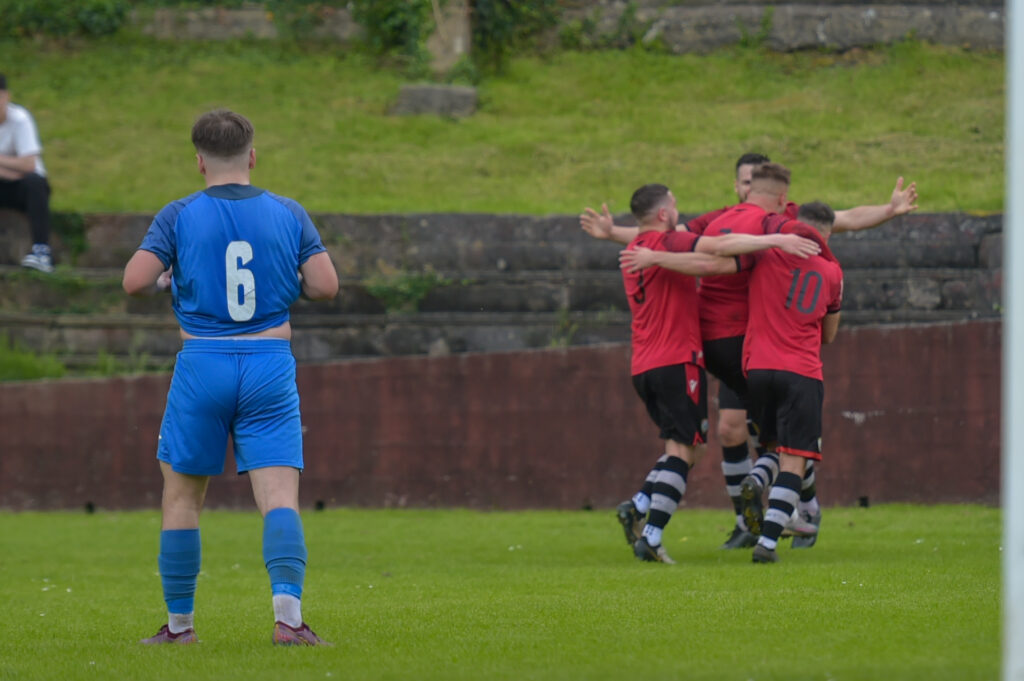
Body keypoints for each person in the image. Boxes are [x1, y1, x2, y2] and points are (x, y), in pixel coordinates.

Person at [581, 154, 917, 549]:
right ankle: (755, 517)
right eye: (741, 181)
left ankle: (800, 508)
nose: (744, 188)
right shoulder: (723, 219)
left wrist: (889, 211)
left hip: (754, 341)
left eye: (750, 182)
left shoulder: (781, 219)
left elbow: (841, 219)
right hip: (720, 345)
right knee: (738, 429)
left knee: (770, 431)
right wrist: (615, 234)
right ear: (740, 186)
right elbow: (664, 236)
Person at [123, 109, 339, 645]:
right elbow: (326, 286)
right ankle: (288, 621)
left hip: (203, 363)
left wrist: (170, 277)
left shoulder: (177, 214)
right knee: (279, 497)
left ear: (199, 162)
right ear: (252, 156)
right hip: (268, 363)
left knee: (181, 498)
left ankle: (180, 628)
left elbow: (133, 281)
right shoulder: (288, 212)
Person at [613, 183, 820, 564]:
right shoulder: (667, 243)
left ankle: (641, 504)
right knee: (685, 451)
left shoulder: (634, 249)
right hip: (677, 359)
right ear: (663, 214)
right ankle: (653, 537)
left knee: (681, 448)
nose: (678, 212)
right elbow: (715, 254)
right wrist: (775, 241)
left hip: (643, 363)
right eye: (674, 205)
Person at [739, 201, 843, 563]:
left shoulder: (765, 255)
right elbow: (829, 335)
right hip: (801, 371)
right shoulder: (832, 271)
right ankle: (767, 545)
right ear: (826, 234)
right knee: (795, 459)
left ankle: (755, 478)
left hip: (757, 368)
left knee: (771, 448)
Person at [0, 73, 53, 273]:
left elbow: (29, 164)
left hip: (23, 187)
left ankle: (42, 252)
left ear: (6, 96)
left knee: (35, 183)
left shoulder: (20, 119)